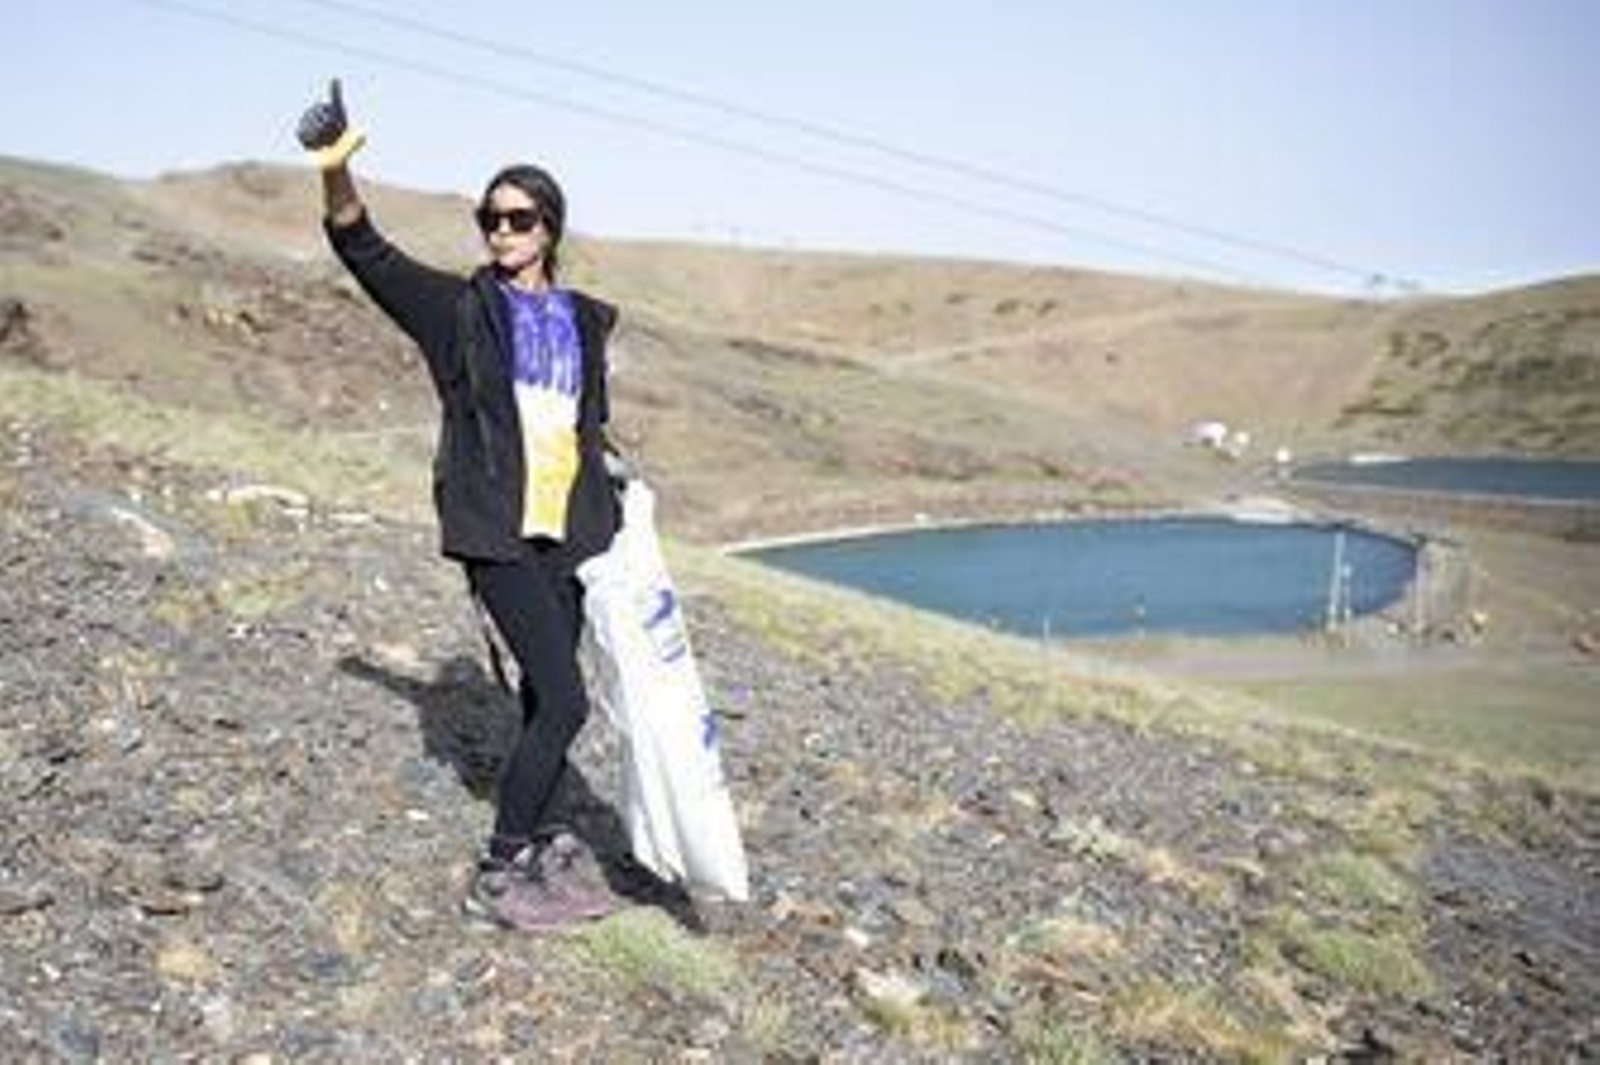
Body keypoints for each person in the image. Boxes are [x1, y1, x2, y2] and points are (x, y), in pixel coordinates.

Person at [296, 79, 622, 932]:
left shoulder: (584, 320)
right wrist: (334, 170)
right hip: (498, 533)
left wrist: (616, 491)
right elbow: (362, 248)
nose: (503, 231)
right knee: (567, 700)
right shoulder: (459, 312)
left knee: (540, 702)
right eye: (492, 218)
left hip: (568, 534)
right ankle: (499, 866)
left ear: (551, 226)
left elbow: (584, 419)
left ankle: (548, 837)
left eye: (520, 218)